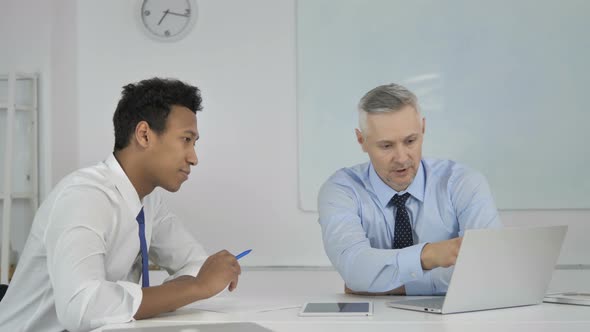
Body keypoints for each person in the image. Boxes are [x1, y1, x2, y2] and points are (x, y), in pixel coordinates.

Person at [0, 78, 242, 332]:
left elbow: (196, 264)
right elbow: (82, 308)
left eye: (194, 143)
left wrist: (192, 285)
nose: (194, 158)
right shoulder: (84, 197)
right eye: (186, 139)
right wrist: (194, 288)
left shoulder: (149, 200)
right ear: (144, 135)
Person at [318, 83, 502, 296]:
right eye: (386, 146)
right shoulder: (341, 190)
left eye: (410, 141)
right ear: (362, 141)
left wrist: (391, 286)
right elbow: (355, 269)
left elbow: (488, 267)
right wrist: (428, 255)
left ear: (423, 129)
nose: (402, 158)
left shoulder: (463, 182)